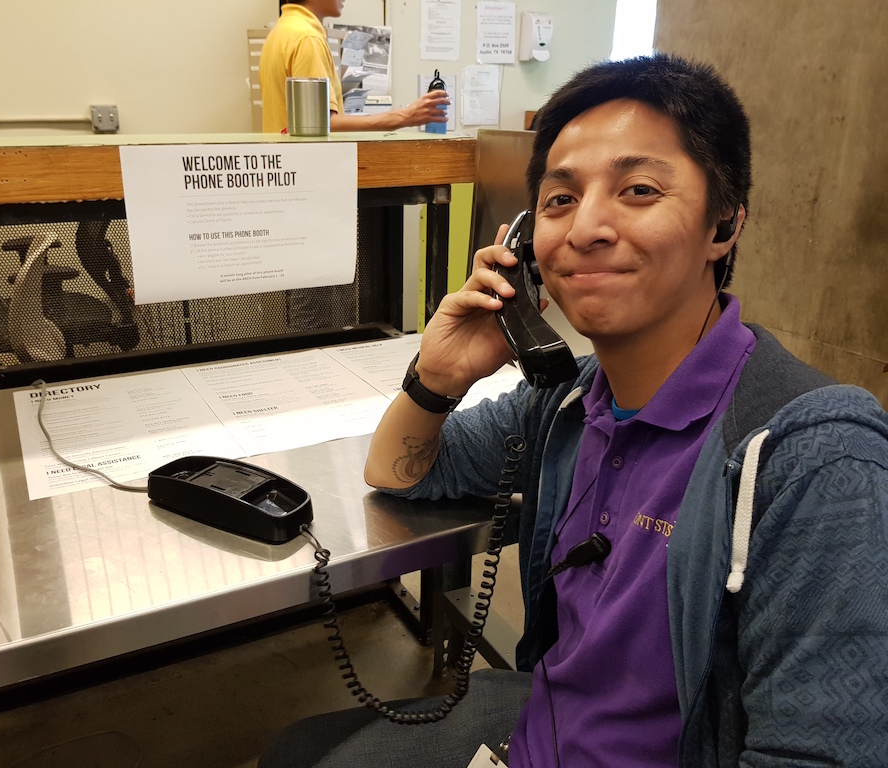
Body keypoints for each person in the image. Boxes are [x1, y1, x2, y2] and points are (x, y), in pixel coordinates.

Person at [258, 53, 888, 766]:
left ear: (723, 224)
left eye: (638, 190)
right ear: (525, 246)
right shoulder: (568, 400)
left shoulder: (815, 459)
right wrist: (439, 375)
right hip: (531, 736)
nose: (586, 227)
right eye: (560, 200)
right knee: (294, 750)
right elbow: (401, 472)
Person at [259, 0, 449, 133]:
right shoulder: (307, 38)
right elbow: (322, 124)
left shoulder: (281, 31)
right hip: (307, 171)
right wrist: (405, 116)